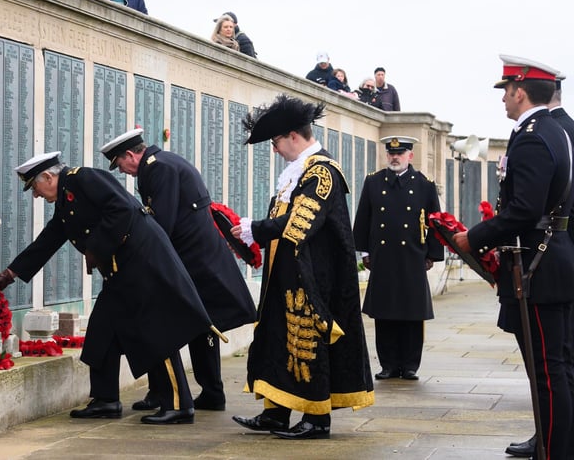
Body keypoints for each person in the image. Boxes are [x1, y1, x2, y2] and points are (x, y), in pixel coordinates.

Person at [0, 153, 213, 425]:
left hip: (142, 266)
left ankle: (179, 405)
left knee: (157, 333)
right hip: (119, 272)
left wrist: (95, 248)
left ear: (48, 177)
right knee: (101, 332)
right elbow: (49, 239)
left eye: (34, 187)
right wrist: (9, 274)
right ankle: (106, 399)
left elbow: (121, 208)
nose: (35, 195)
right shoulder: (66, 198)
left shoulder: (84, 178)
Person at [229, 94, 375, 439]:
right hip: (286, 273)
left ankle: (316, 418)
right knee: (277, 338)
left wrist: (255, 229)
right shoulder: (300, 172)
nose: (275, 149)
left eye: (276, 141)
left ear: (294, 136)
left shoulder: (322, 173)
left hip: (315, 277)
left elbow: (299, 224)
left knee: (305, 344)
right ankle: (275, 413)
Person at [451, 55, 574, 460]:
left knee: (547, 371)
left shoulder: (535, 135)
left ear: (520, 91)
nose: (503, 98)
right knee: (557, 366)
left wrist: (475, 238)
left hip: (538, 266)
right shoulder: (554, 130)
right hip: (553, 260)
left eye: (506, 90)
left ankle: (554, 451)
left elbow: (523, 209)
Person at [100, 128, 257, 412]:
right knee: (201, 328)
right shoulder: (163, 164)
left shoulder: (158, 169)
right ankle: (200, 393)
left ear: (130, 155)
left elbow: (161, 223)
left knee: (175, 327)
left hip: (195, 262)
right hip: (196, 260)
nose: (123, 171)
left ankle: (176, 394)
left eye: (120, 164)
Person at [353, 136, 444, 381]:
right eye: (391, 153)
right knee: (385, 313)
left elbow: (435, 221)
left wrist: (433, 255)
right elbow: (363, 219)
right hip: (382, 257)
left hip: (412, 256)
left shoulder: (424, 184)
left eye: (400, 153)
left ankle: (410, 365)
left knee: (412, 314)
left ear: (410, 156)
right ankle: (389, 364)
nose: (395, 157)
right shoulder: (373, 182)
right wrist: (364, 252)